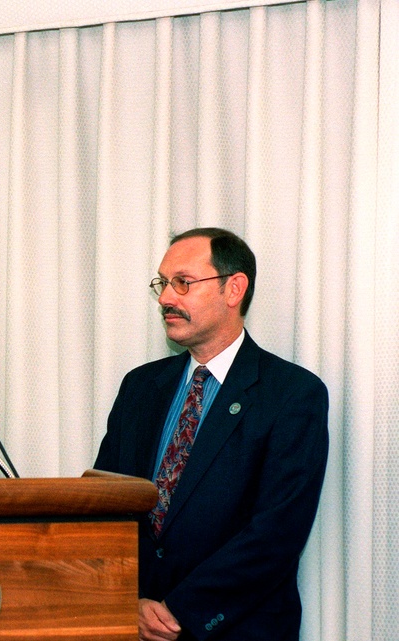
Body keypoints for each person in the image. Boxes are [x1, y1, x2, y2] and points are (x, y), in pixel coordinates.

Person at [94, 228, 329, 641]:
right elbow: (105, 504)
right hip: (131, 622)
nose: (166, 298)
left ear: (234, 288)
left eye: (182, 283)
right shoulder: (140, 387)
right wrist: (128, 601)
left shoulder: (292, 394)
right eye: (162, 284)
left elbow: (277, 533)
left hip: (236, 628)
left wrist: (178, 611)